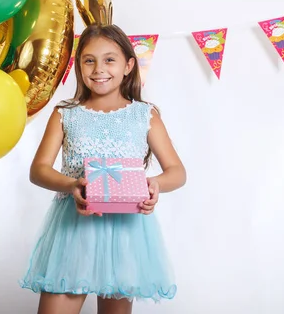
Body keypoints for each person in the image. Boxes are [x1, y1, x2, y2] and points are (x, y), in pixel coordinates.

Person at [20, 24, 187, 314]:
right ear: (79, 65)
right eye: (89, 60)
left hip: (126, 231)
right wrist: (72, 185)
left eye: (110, 59)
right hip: (73, 230)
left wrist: (154, 184)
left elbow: (176, 171)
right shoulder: (66, 113)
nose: (99, 68)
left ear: (128, 65)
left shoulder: (144, 115)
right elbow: (39, 169)